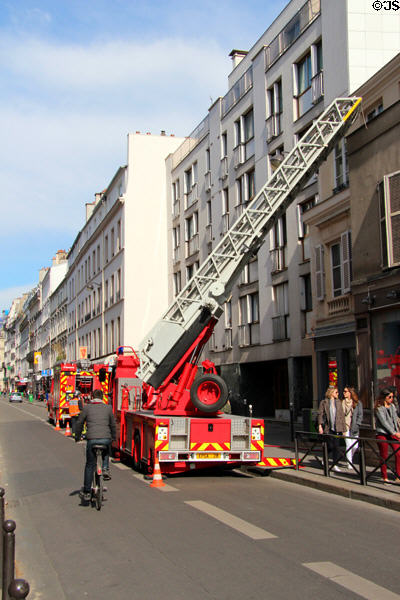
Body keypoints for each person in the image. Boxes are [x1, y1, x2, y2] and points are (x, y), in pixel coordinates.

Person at [75, 389, 117, 502]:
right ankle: (105, 469)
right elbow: (113, 424)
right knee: (106, 450)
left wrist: (77, 436)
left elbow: (79, 423)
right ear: (102, 397)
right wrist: (114, 437)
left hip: (92, 439)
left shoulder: (87, 408)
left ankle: (87, 492)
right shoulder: (108, 408)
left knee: (89, 465)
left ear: (92, 397)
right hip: (105, 439)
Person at [374, 387, 400, 483]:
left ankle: (398, 476)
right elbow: (384, 423)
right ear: (384, 397)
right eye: (389, 397)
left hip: (393, 433)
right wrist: (395, 433)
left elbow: (395, 419)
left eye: (392, 397)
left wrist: (397, 429)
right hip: (382, 433)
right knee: (384, 455)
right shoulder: (379, 408)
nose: (391, 399)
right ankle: (384, 476)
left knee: (398, 453)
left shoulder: (392, 406)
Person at [318, 386, 346, 472]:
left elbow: (341, 416)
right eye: (336, 392)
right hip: (328, 427)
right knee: (330, 445)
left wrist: (343, 429)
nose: (338, 394)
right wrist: (320, 426)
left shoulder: (338, 402)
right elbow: (320, 414)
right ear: (331, 393)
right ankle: (325, 457)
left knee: (336, 447)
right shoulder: (324, 402)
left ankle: (335, 464)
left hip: (337, 428)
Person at [342, 386, 363, 470]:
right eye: (344, 391)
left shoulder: (357, 403)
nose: (344, 393)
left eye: (345, 391)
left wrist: (358, 424)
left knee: (355, 446)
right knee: (348, 445)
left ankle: (350, 457)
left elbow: (360, 415)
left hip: (354, 427)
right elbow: (341, 415)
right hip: (346, 426)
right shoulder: (342, 402)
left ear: (350, 393)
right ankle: (349, 462)